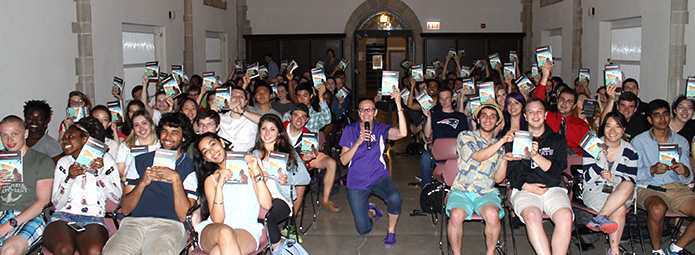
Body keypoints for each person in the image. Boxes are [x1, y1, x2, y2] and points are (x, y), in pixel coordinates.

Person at [102, 112, 198, 255]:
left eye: (174, 133)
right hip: (134, 224)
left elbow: (184, 215)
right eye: (164, 131)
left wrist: (176, 179)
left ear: (183, 138)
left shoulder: (190, 167)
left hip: (170, 225)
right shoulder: (140, 161)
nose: (167, 137)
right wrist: (142, 183)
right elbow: (126, 209)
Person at [339, 88, 407, 247]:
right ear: (359, 113)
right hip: (357, 182)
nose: (366, 113)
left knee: (395, 198)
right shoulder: (350, 130)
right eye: (362, 110)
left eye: (369, 109)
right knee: (363, 229)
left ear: (375, 113)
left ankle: (391, 231)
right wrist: (358, 142)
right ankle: (371, 211)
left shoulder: (381, 129)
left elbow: (403, 133)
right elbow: (343, 160)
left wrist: (398, 103)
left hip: (378, 177)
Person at [44, 116, 122, 255]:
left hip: (93, 218)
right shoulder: (63, 163)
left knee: (93, 251)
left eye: (71, 137)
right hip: (63, 216)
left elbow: (117, 198)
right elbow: (57, 204)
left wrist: (99, 174)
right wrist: (69, 178)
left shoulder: (105, 160)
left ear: (85, 139)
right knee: (64, 249)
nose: (65, 141)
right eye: (63, 139)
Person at [506, 97, 573, 255]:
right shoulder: (517, 140)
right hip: (525, 189)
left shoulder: (557, 139)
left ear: (545, 115)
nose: (535, 116)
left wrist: (535, 156)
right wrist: (525, 186)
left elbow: (557, 170)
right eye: (531, 112)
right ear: (525, 116)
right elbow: (512, 171)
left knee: (565, 216)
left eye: (539, 111)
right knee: (531, 216)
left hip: (553, 188)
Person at [447, 103, 514, 255]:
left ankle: (490, 253)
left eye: (492, 116)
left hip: (486, 191)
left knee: (492, 215)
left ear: (497, 122)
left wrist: (504, 160)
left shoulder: (499, 148)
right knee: (456, 215)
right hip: (462, 189)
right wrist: (502, 141)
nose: (488, 119)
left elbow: (498, 179)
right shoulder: (465, 136)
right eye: (484, 115)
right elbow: (478, 156)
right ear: (477, 119)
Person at [632, 99, 695, 255]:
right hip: (648, 187)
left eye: (665, 114)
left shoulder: (681, 141)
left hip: (676, 188)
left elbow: (688, 178)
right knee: (657, 208)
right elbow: (630, 174)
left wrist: (685, 171)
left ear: (670, 115)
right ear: (650, 119)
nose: (662, 119)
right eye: (657, 115)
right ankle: (657, 250)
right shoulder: (639, 141)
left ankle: (675, 248)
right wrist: (651, 170)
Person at [192, 132, 272, 255]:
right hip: (215, 229)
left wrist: (256, 170)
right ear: (205, 159)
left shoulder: (249, 167)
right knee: (225, 232)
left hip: (246, 228)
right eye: (206, 151)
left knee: (218, 252)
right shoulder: (211, 180)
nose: (213, 152)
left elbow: (267, 204)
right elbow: (218, 220)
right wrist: (219, 187)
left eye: (213, 144)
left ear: (222, 142)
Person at [581, 112, 637, 255]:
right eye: (608, 126)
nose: (612, 131)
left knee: (629, 185)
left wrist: (614, 178)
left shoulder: (630, 151)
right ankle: (614, 251)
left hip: (621, 192)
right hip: (596, 190)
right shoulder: (593, 147)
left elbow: (631, 180)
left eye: (617, 127)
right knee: (620, 209)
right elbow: (587, 178)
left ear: (624, 129)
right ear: (603, 128)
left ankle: (600, 217)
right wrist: (600, 162)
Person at [251, 114, 310, 249]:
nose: (267, 133)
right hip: (256, 198)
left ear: (278, 133)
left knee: (266, 218)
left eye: (272, 129)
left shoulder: (288, 152)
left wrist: (288, 179)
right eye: (264, 128)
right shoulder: (252, 154)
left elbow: (306, 178)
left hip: (280, 198)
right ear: (259, 131)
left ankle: (278, 249)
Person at [0, 115, 55, 254]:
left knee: (9, 251)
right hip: (2, 213)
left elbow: (43, 202)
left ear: (25, 133)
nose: (9, 140)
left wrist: (8, 225)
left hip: (30, 217)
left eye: (14, 134)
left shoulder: (42, 161)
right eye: (4, 135)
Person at [284, 104, 341, 213]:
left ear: (307, 120)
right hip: (284, 164)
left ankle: (325, 201)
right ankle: (294, 204)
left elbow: (303, 166)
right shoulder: (281, 129)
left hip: (299, 163)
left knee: (331, 163)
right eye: (296, 115)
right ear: (290, 116)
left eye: (303, 117)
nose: (299, 119)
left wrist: (306, 160)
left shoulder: (307, 135)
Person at [420, 87, 468, 188]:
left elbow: (465, 136)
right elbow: (427, 135)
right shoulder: (434, 115)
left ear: (452, 99)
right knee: (425, 157)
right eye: (441, 98)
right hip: (438, 153)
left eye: (447, 98)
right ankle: (426, 188)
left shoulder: (461, 117)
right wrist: (428, 118)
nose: (444, 101)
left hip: (456, 153)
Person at [215, 86, 262, 153]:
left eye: (241, 96)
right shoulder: (220, 118)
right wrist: (212, 111)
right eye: (234, 96)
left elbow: (265, 120)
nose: (237, 99)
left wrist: (241, 112)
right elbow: (197, 128)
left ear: (246, 102)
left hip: (245, 159)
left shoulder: (251, 119)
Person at [115, 111, 160, 178]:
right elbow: (120, 173)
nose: (141, 127)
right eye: (136, 125)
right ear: (133, 128)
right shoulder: (125, 146)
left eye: (144, 123)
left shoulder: (160, 145)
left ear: (151, 124)